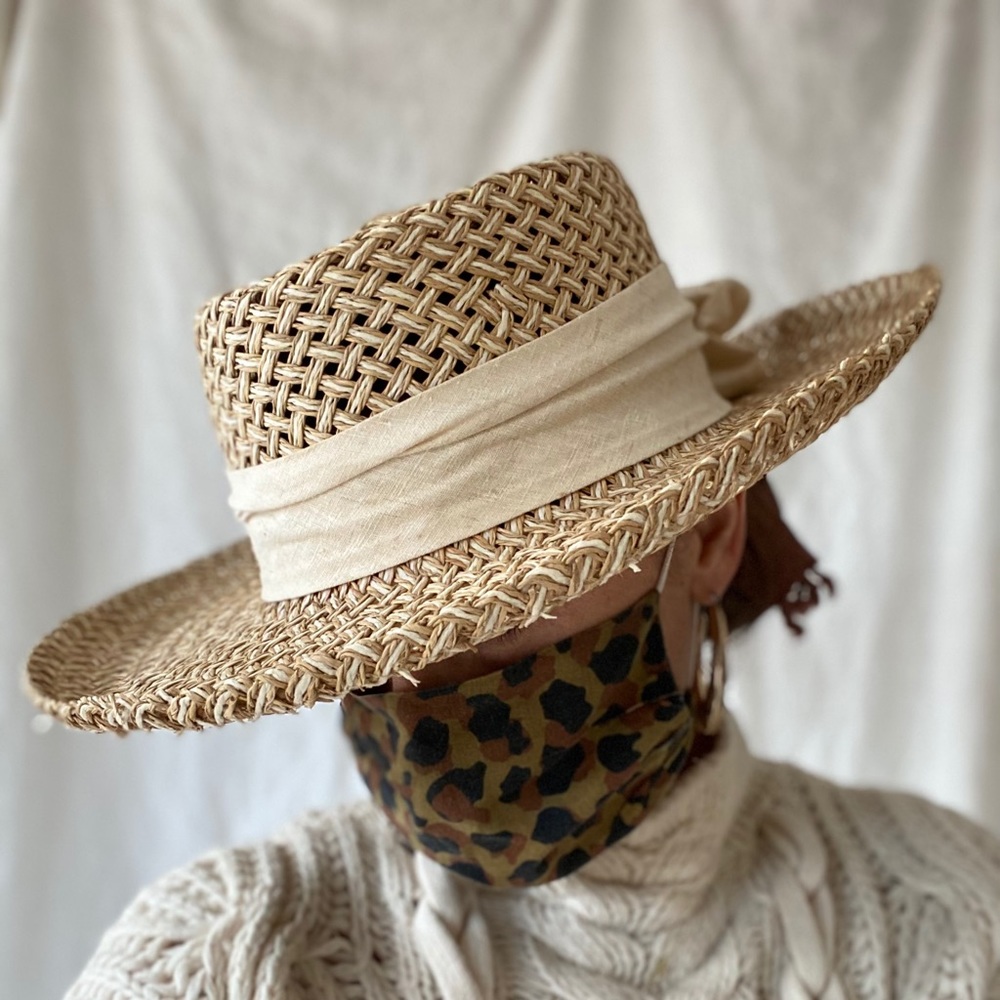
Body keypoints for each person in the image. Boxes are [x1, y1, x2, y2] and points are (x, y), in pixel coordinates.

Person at [28, 152, 1000, 998]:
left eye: (491, 606)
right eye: (357, 647)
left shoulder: (956, 923)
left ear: (707, 536)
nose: (415, 688)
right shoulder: (222, 961)